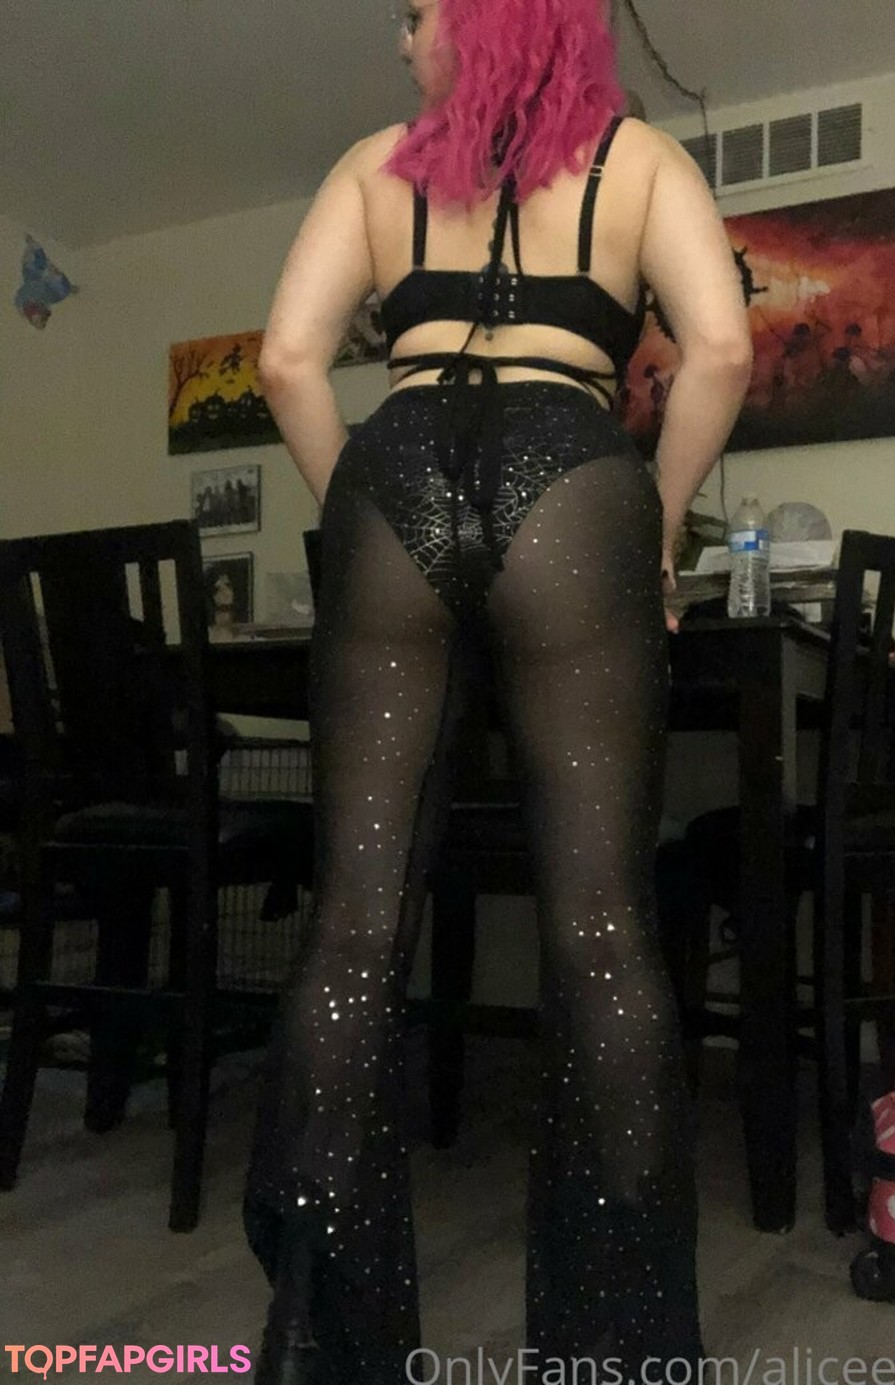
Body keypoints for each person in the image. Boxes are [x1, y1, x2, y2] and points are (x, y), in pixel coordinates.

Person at [244, 1, 751, 1380]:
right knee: (603, 929)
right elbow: (719, 350)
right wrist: (657, 523)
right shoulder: (638, 160)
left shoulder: (374, 165)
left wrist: (361, 507)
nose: (401, 39)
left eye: (416, 12)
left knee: (354, 926)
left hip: (397, 454)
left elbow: (287, 360)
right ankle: (615, 1355)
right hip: (571, 469)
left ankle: (325, 1344)